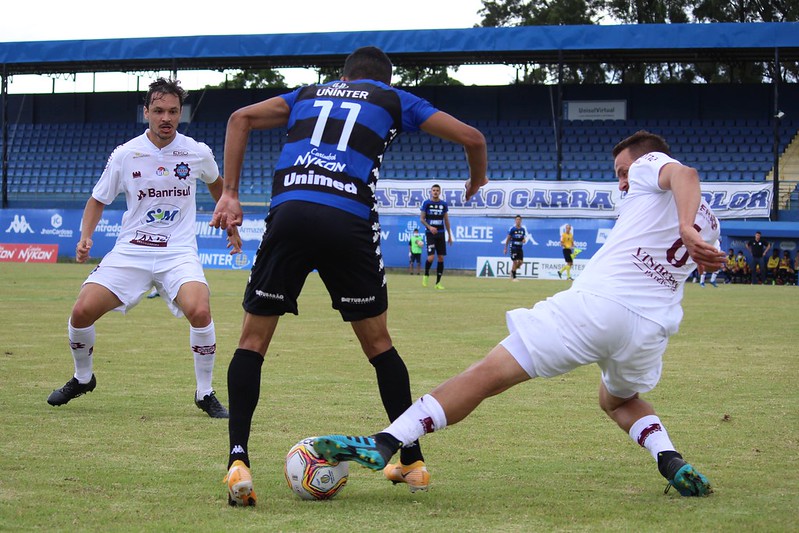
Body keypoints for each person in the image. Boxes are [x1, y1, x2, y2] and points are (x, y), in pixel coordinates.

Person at [313, 130, 725, 498]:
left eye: (622, 170)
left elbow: (684, 174)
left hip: (596, 307)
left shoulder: (650, 167)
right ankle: (669, 458)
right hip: (649, 330)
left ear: (644, 160)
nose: (621, 180)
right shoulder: (712, 222)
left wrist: (684, 226)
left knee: (484, 375)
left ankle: (386, 441)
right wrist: (692, 233)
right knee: (619, 401)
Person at [210, 46, 487, 506]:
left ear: (343, 75)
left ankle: (238, 460)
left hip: (291, 212)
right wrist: (476, 180)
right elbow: (473, 138)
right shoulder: (393, 98)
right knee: (379, 344)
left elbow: (239, 117)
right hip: (348, 219)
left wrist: (232, 193)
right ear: (384, 78)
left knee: (252, 341)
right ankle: (413, 463)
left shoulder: (307, 93)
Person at [46, 78, 241, 419]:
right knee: (81, 313)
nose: (166, 117)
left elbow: (219, 187)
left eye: (173, 111)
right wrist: (84, 237)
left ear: (181, 113)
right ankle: (83, 378)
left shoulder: (197, 152)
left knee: (200, 310)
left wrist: (230, 222)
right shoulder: (126, 154)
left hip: (177, 252)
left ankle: (205, 391)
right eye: (159, 110)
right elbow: (97, 199)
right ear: (147, 112)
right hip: (131, 252)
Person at [421, 184, 453, 290]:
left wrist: (449, 235)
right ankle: (426, 274)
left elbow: (446, 220)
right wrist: (430, 227)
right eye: (433, 190)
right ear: (431, 192)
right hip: (430, 233)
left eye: (437, 190)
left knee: (440, 257)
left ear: (440, 192)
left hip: (441, 233)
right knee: (431, 257)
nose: (435, 192)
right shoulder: (426, 203)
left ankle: (438, 283)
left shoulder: (443, 204)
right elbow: (422, 219)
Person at [502, 215, 529, 281]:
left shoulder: (522, 229)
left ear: (521, 221)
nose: (518, 221)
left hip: (520, 247)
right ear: (515, 221)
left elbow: (523, 238)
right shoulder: (512, 229)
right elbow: (508, 238)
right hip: (513, 247)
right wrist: (505, 248)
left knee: (521, 262)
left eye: (519, 220)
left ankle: (512, 271)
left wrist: (524, 240)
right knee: (515, 262)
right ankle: (514, 277)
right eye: (517, 220)